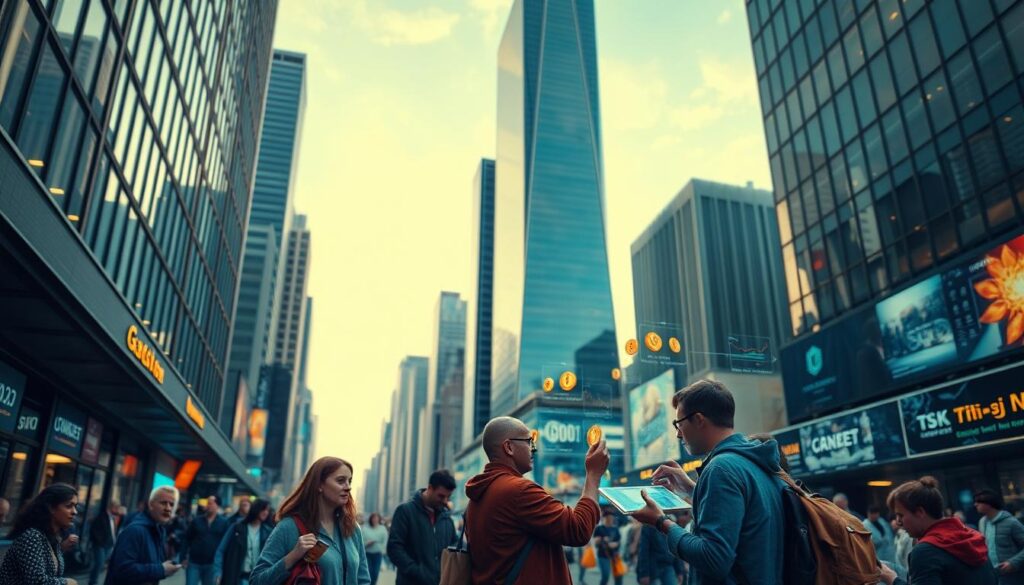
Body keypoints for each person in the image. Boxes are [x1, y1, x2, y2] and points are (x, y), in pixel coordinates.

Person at [632, 379, 784, 585]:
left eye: (679, 424)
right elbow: (741, 517)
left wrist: (661, 522)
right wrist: (691, 489)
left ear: (699, 419)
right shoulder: (754, 460)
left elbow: (714, 559)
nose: (677, 433)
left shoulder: (721, 469)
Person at [464, 416, 610, 584]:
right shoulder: (519, 490)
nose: (533, 449)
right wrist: (593, 475)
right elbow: (578, 529)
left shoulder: (477, 497)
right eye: (529, 442)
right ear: (509, 447)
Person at [250, 456, 369, 585]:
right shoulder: (289, 527)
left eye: (349, 481)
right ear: (319, 485)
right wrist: (293, 556)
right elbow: (256, 581)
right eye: (340, 481)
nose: (348, 487)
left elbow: (363, 580)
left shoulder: (352, 528)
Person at [879, 476, 996, 585]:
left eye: (901, 515)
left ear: (920, 512)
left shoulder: (925, 551)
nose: (898, 522)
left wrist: (891, 579)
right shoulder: (973, 536)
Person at [386, 469, 458, 585]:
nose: (445, 501)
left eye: (448, 497)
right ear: (430, 488)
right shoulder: (405, 511)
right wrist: (419, 572)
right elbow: (394, 549)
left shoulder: (446, 517)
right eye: (441, 496)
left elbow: (453, 545)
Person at [0, 483, 79, 585]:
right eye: (69, 506)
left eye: (75, 506)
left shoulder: (53, 538)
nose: (75, 512)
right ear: (51, 507)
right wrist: (68, 582)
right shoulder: (32, 536)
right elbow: (37, 581)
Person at [105, 486, 183, 584]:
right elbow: (123, 569)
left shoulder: (159, 530)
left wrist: (165, 567)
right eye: (163, 503)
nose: (168, 508)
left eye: (172, 505)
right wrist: (161, 569)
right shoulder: (135, 530)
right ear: (151, 505)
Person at [214, 499, 272, 585]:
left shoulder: (267, 532)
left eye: (267, 510)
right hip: (239, 577)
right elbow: (221, 550)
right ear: (256, 509)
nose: (265, 513)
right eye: (263, 509)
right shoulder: (237, 527)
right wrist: (218, 572)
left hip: (258, 578)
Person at [975, 489, 1024, 584]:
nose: (975, 504)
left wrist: (1013, 562)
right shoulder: (982, 522)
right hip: (992, 575)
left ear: (989, 504)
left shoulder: (1011, 523)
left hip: (1012, 576)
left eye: (979, 502)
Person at [183, 495, 230, 585]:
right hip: (194, 563)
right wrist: (183, 557)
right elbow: (187, 539)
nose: (208, 506)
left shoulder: (224, 522)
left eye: (210, 503)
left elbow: (226, 544)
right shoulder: (197, 520)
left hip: (212, 564)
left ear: (217, 505)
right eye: (207, 503)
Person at [636, 519, 679, 585]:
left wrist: (679, 570)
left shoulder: (671, 523)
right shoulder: (648, 526)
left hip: (668, 566)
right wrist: (644, 574)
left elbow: (675, 547)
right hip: (653, 568)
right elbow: (643, 552)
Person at [88, 500, 121, 585]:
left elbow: (113, 531)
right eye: (116, 507)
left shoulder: (113, 518)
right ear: (111, 507)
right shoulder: (102, 516)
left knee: (102, 564)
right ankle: (92, 582)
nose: (117, 510)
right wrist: (99, 541)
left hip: (109, 545)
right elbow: (94, 530)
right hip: (100, 545)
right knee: (99, 563)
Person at [593, 510, 622, 585]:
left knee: (618, 576)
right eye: (608, 518)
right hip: (603, 555)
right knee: (605, 576)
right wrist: (603, 539)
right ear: (604, 518)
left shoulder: (615, 529)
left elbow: (619, 541)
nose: (610, 520)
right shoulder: (599, 528)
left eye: (612, 518)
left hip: (614, 556)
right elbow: (595, 541)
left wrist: (615, 544)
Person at [361, 513, 388, 585]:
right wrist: (367, 543)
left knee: (375, 573)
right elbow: (361, 542)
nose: (375, 520)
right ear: (371, 519)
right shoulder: (365, 529)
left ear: (379, 519)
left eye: (376, 518)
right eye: (373, 518)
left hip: (377, 554)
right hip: (367, 554)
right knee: (369, 572)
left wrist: (383, 550)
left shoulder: (383, 529)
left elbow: (385, 541)